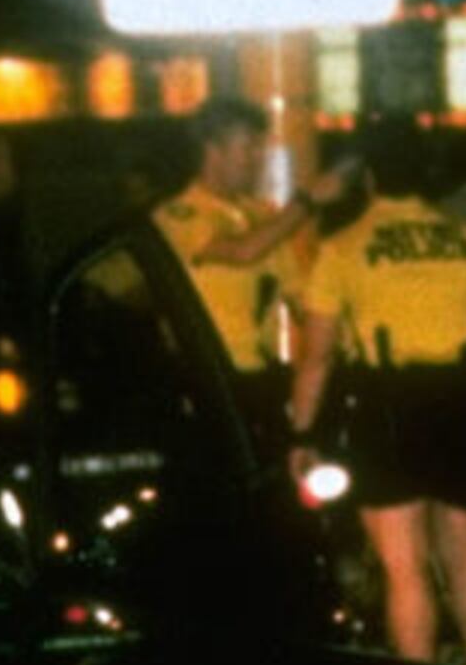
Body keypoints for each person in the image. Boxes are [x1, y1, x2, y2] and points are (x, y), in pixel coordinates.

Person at [285, 125, 466, 665]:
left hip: (389, 401)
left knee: (404, 567)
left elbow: (316, 357)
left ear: (369, 177)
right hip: (462, 397)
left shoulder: (343, 248)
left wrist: (303, 434)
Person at [148, 97, 350, 459]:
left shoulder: (263, 215)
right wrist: (306, 202)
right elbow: (243, 252)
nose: (258, 158)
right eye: (248, 147)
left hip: (262, 379)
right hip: (207, 379)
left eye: (261, 146)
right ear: (214, 151)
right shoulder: (179, 214)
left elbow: (302, 298)